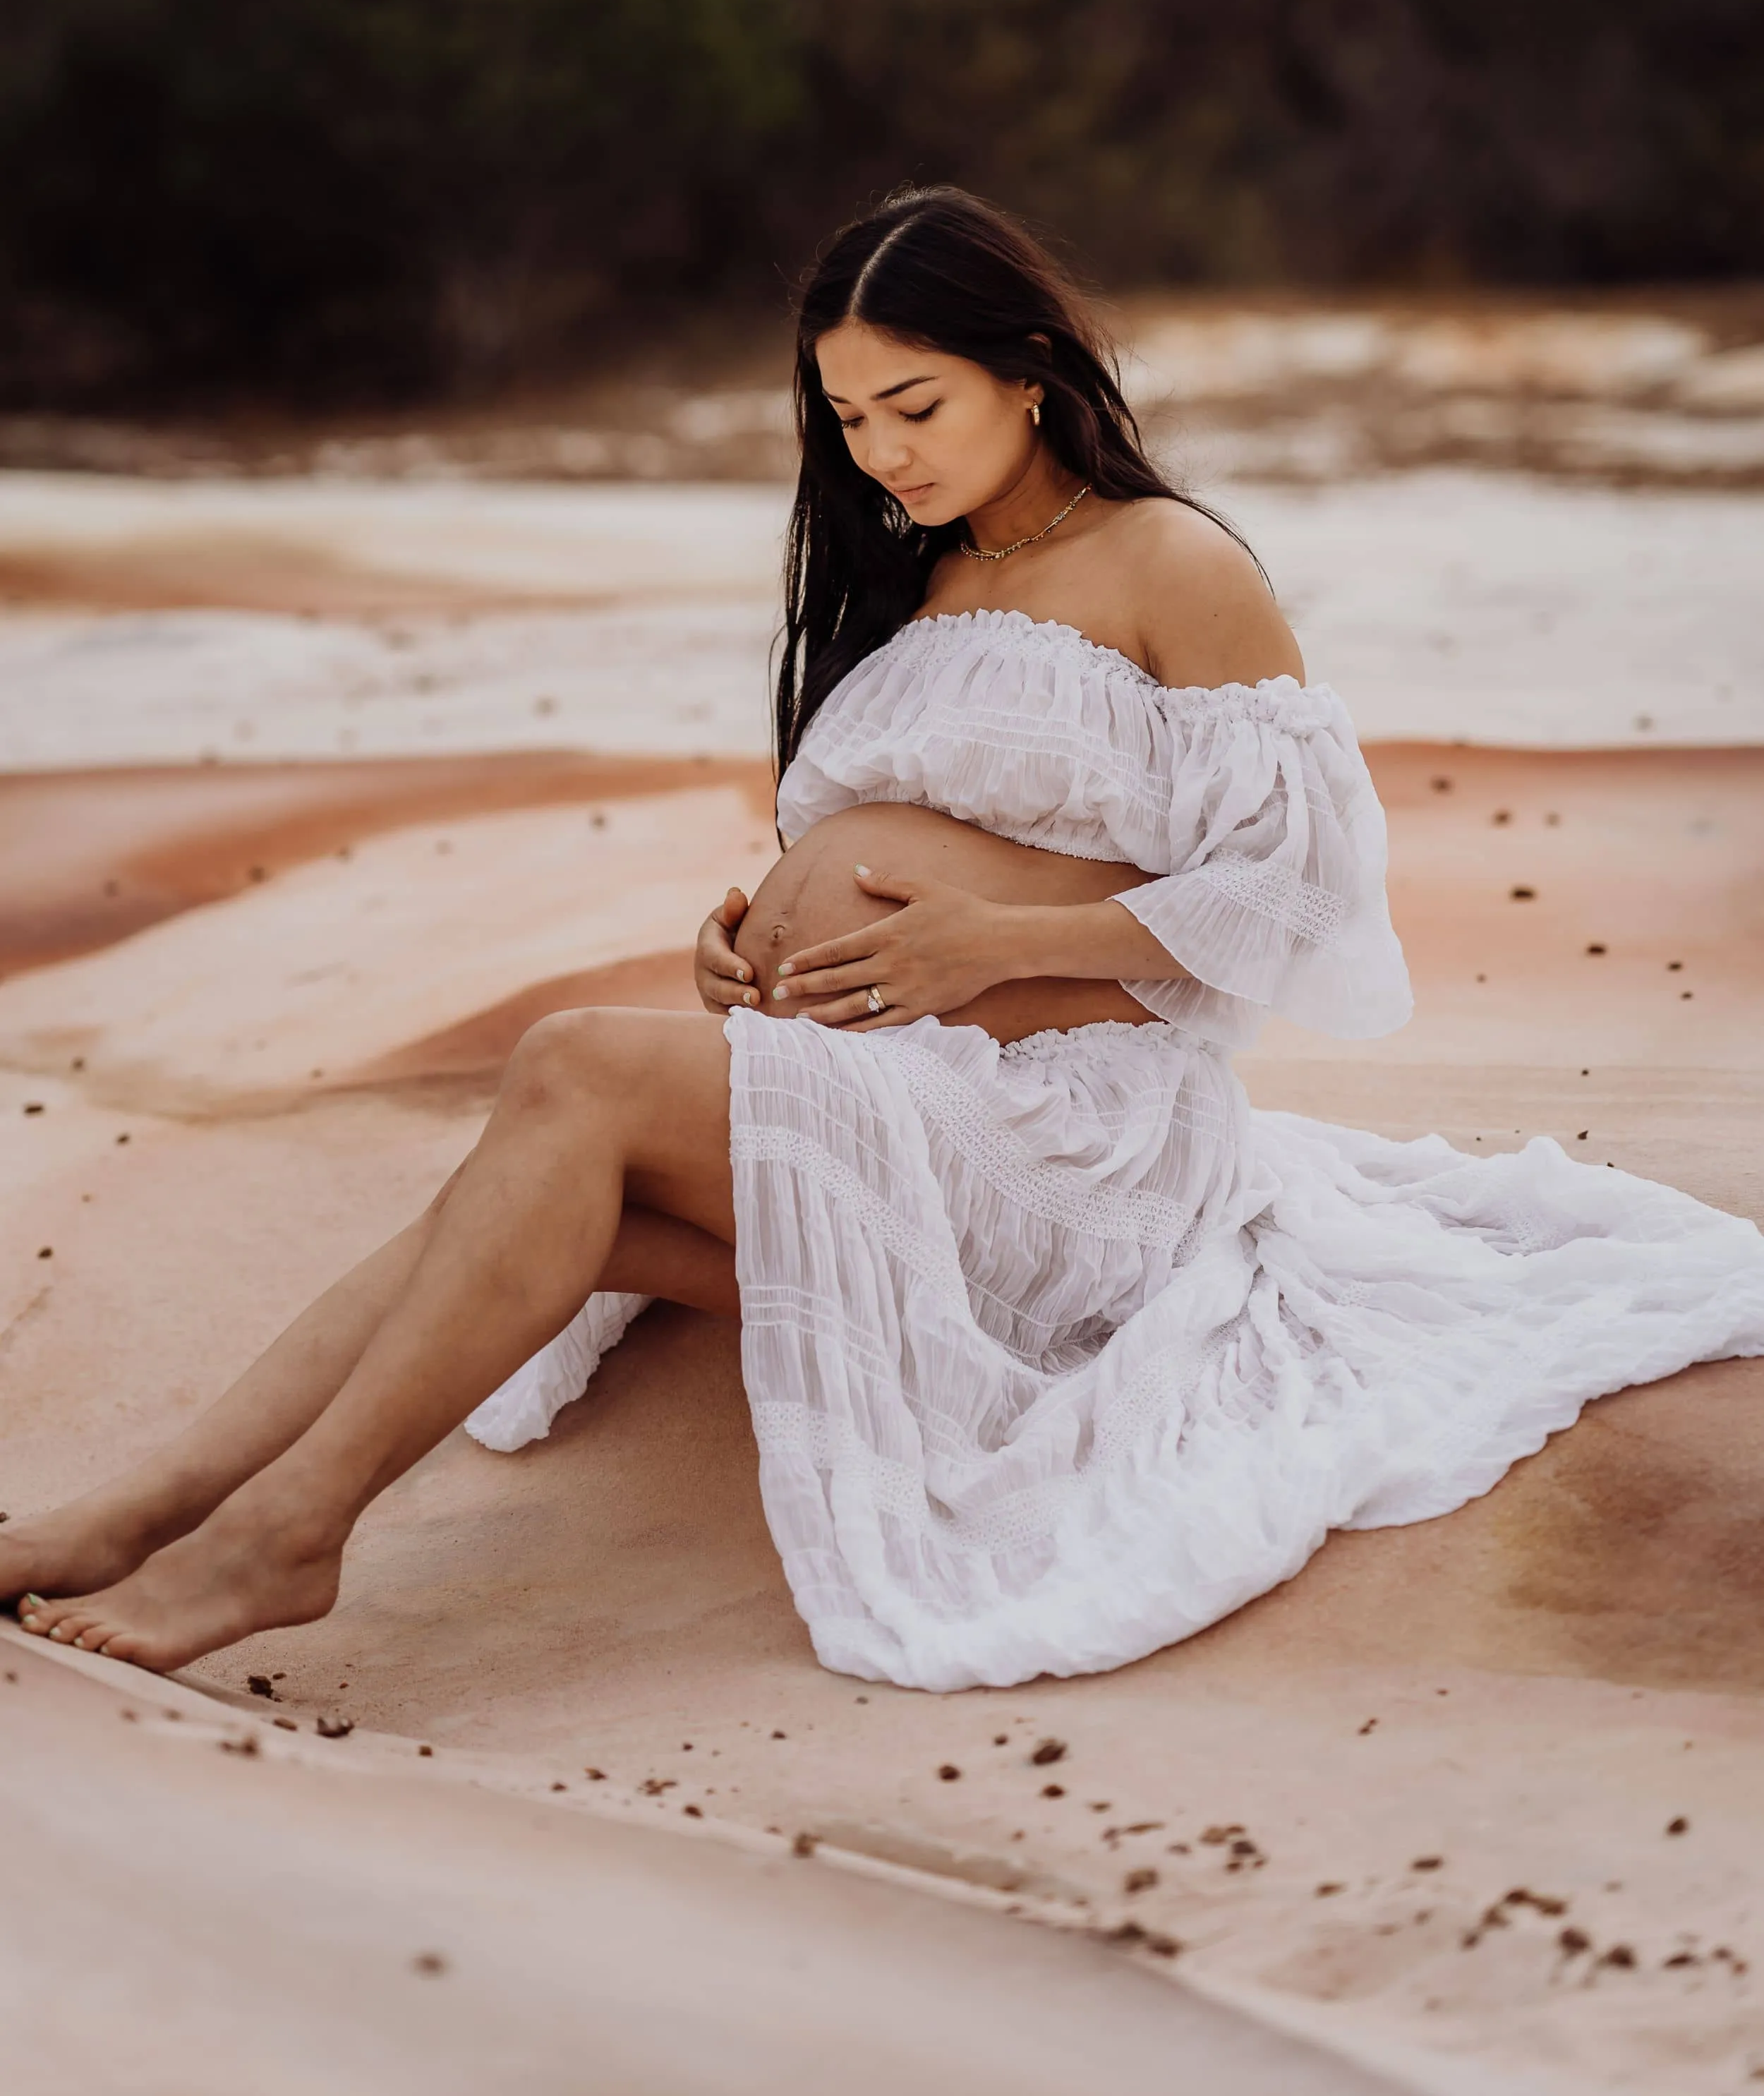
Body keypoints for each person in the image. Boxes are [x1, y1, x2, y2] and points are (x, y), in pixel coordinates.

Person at [7, 186, 1763, 1688]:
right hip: (892, 1092)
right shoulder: (904, 580)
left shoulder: (1171, 567)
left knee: (563, 1069)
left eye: (911, 407)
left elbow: (1289, 907)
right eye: (847, 420)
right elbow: (864, 848)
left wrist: (987, 946)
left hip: (1077, 1137)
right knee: (550, 1190)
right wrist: (741, 952)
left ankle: (285, 1534)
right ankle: (162, 1508)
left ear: (1028, 369)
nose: (880, 453)